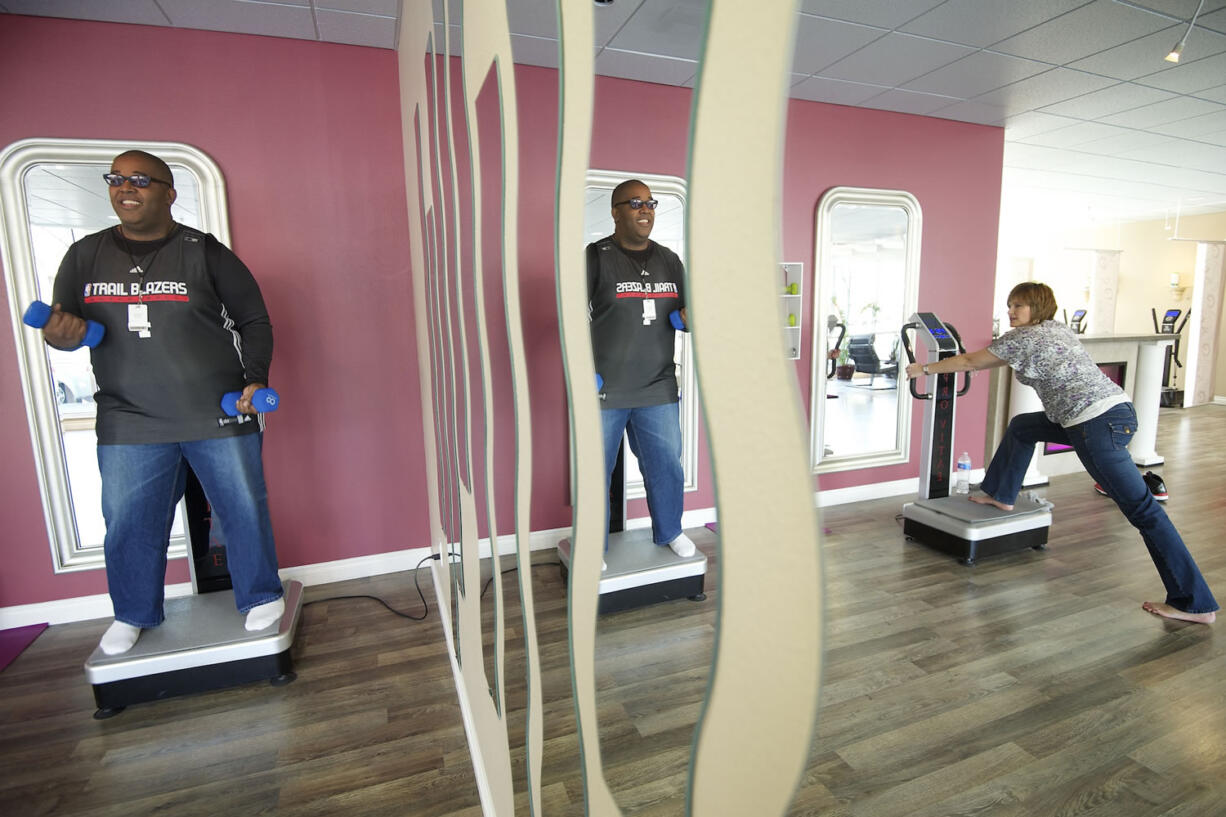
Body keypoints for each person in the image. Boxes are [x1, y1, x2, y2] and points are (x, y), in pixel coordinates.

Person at [41, 150, 285, 655]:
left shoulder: (204, 252)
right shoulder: (84, 255)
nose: (125, 187)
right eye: (116, 178)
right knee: (129, 518)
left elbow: (254, 320)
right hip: (128, 415)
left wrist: (253, 378)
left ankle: (261, 594)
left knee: (240, 507)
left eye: (140, 180)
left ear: (168, 193)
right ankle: (132, 612)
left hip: (214, 410)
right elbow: (67, 333)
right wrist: (61, 335)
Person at [904, 282, 1216, 625]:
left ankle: (1194, 602)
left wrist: (924, 369)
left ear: (1037, 308)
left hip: (1093, 425)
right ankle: (1001, 494)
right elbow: (989, 361)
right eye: (1009, 305)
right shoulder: (1055, 329)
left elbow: (968, 360)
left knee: (1146, 513)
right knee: (1024, 426)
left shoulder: (1021, 339)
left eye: (1019, 306)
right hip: (1113, 413)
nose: (1011, 312)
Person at [587, 179, 696, 564]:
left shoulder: (670, 260)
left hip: (657, 385)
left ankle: (671, 530)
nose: (645, 209)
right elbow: (567, 316)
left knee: (666, 462)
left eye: (650, 202)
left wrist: (688, 319)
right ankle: (591, 545)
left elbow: (686, 314)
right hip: (605, 390)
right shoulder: (596, 257)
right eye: (635, 203)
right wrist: (585, 371)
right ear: (615, 211)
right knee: (595, 470)